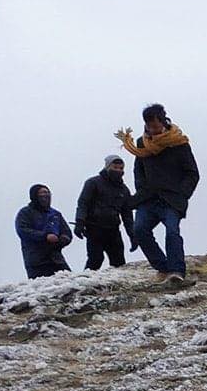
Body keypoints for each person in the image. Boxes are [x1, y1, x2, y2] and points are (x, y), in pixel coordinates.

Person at [116, 106, 199, 279]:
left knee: (172, 232)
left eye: (155, 126)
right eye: (149, 126)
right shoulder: (141, 143)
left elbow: (192, 173)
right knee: (140, 230)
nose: (152, 130)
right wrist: (141, 189)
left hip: (171, 199)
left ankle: (177, 271)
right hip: (147, 198)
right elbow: (138, 170)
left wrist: (182, 194)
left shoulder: (179, 143)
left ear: (163, 122)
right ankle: (163, 267)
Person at [74, 156, 136, 270]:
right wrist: (80, 222)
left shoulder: (124, 190)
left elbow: (127, 215)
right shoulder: (93, 183)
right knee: (96, 258)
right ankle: (85, 283)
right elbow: (83, 203)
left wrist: (132, 235)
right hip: (94, 228)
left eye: (121, 168)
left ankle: (117, 286)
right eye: (115, 167)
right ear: (107, 167)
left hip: (113, 230)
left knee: (119, 262)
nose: (118, 170)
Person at [15, 185, 73, 278]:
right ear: (34, 196)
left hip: (56, 258)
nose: (46, 196)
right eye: (42, 194)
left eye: (47, 193)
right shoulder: (25, 213)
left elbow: (67, 233)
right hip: (36, 259)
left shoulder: (55, 214)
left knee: (68, 283)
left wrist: (63, 239)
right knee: (41, 288)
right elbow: (23, 230)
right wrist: (45, 236)